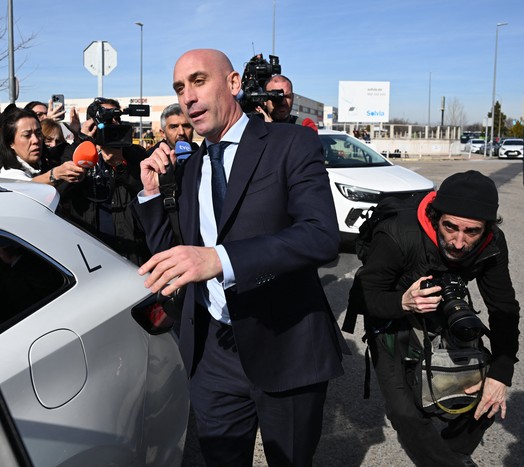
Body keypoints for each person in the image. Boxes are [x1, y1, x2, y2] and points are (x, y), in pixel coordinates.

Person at [134, 49, 348, 466]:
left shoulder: (291, 143)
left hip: (285, 343)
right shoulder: (192, 167)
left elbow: (321, 236)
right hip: (214, 352)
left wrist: (222, 260)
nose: (188, 97)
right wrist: (151, 195)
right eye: (180, 88)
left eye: (198, 81)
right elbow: (175, 258)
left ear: (233, 84)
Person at [346, 170, 519, 466]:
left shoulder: (492, 243)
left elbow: (504, 308)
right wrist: (403, 302)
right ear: (436, 216)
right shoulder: (398, 234)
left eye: (472, 232)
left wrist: (500, 374)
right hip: (391, 312)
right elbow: (365, 297)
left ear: (487, 228)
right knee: (405, 413)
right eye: (450, 227)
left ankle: (447, 457)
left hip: (443, 309)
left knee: (487, 395)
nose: (459, 243)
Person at [56, 97, 150, 265]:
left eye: (117, 119)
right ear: (92, 124)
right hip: (89, 251)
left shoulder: (134, 152)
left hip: (130, 249)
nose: (114, 124)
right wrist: (84, 150)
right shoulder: (74, 152)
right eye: (107, 119)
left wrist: (120, 165)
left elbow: (146, 190)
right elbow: (60, 194)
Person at [0, 108, 81, 186]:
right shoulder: (8, 176)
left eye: (38, 133)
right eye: (27, 135)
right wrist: (55, 175)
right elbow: (28, 186)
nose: (35, 140)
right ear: (11, 142)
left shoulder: (44, 164)